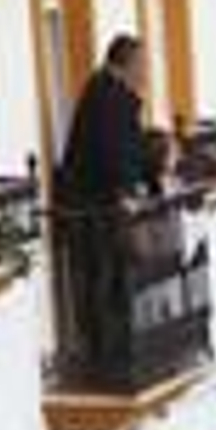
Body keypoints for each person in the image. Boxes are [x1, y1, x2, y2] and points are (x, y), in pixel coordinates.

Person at [54, 33, 153, 378]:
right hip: (93, 209)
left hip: (92, 204)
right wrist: (129, 193)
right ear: (123, 64)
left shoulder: (106, 92)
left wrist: (151, 173)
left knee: (105, 282)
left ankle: (107, 354)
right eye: (142, 64)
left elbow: (128, 148)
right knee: (104, 282)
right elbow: (116, 152)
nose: (146, 72)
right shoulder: (111, 97)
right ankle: (106, 358)